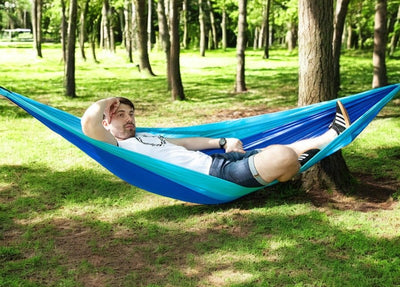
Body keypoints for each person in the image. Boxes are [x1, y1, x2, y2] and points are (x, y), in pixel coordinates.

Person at [81, 97, 351, 188]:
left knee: (277, 149)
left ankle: (330, 136)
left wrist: (224, 140)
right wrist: (108, 102)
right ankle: (292, 167)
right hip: (214, 177)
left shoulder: (145, 137)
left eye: (131, 114)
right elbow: (87, 123)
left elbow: (186, 143)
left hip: (220, 161)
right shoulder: (117, 147)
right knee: (280, 155)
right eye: (120, 115)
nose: (129, 119)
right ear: (107, 124)